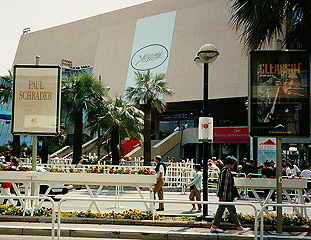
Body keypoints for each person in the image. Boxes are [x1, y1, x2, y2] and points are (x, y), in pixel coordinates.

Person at [210, 156, 250, 233]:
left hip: (224, 195)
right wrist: (224, 197)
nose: (234, 165)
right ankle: (239, 228)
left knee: (220, 211)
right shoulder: (226, 172)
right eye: (233, 164)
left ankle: (214, 226)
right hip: (227, 196)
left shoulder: (223, 170)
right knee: (232, 211)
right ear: (230, 164)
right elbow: (225, 185)